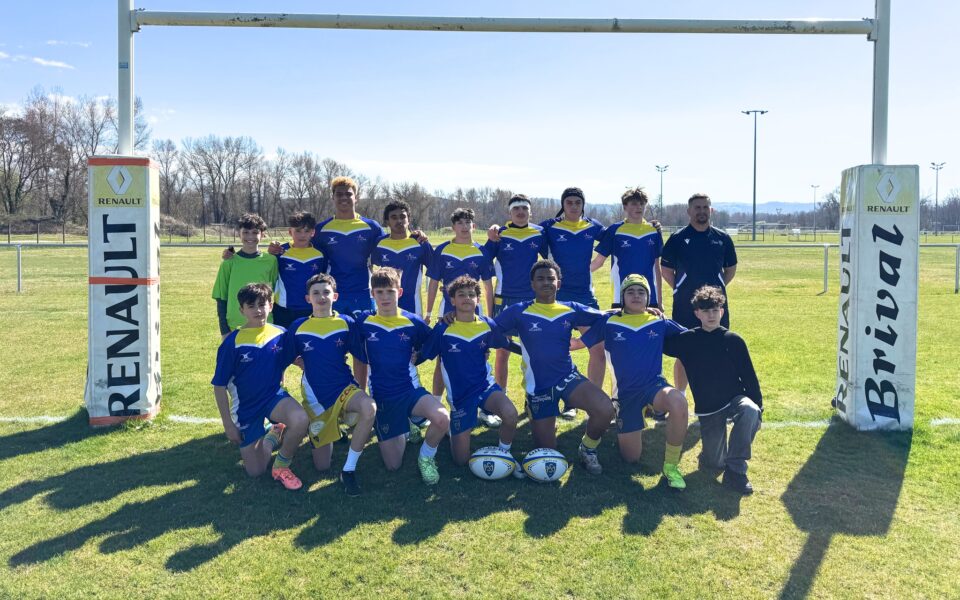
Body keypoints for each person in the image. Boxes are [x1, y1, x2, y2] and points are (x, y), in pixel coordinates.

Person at [494, 259, 615, 475]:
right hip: (538, 387)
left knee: (605, 409)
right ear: (532, 284)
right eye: (540, 279)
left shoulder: (570, 309)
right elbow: (490, 329)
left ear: (559, 283)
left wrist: (645, 310)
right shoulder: (519, 311)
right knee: (547, 452)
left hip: (568, 378)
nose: (546, 283)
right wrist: (513, 347)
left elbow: (606, 317)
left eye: (551, 279)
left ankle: (588, 449)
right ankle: (538, 413)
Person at [576, 274, 689, 490]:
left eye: (641, 292)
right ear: (622, 297)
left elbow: (692, 338)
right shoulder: (609, 322)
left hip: (654, 387)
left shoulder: (659, 321)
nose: (636, 296)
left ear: (648, 297)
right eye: (630, 292)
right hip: (626, 395)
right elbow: (578, 343)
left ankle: (671, 466)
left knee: (678, 401)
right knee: (631, 458)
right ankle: (598, 437)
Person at [354, 267, 451, 485]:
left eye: (390, 291)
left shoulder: (413, 321)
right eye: (379, 292)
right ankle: (408, 425)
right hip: (383, 398)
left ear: (399, 292)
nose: (385, 297)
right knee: (393, 465)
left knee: (442, 418)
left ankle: (426, 458)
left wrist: (422, 354)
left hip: (410, 391)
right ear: (372, 294)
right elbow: (355, 354)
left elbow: (433, 342)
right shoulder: (363, 322)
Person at [663, 285, 762, 495]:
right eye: (706, 311)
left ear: (722, 312)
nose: (711, 315)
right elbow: (660, 342)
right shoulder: (687, 340)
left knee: (751, 411)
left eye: (715, 310)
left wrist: (759, 408)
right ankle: (711, 455)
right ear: (697, 313)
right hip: (709, 408)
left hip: (735, 399)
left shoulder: (733, 340)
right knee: (714, 463)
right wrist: (654, 316)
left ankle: (736, 471)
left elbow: (749, 376)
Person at [211, 282, 309, 490]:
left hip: (273, 397)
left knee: (300, 419)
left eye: (262, 304)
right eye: (251, 306)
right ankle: (273, 435)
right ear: (242, 310)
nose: (258, 310)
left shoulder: (280, 333)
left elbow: (289, 355)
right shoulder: (232, 343)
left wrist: (300, 361)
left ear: (271, 306)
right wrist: (228, 424)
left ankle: (281, 465)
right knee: (255, 471)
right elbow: (219, 386)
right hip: (246, 408)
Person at [286, 273, 377, 497]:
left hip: (344, 388)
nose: (321, 297)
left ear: (335, 296)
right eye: (315, 293)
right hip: (316, 397)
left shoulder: (346, 323)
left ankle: (349, 469)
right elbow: (283, 355)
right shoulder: (298, 326)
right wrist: (298, 360)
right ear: (308, 298)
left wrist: (361, 391)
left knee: (368, 408)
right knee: (322, 466)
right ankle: (327, 427)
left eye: (326, 292)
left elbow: (360, 358)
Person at [419, 276, 520, 467]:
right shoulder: (443, 328)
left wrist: (534, 351)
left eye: (471, 294)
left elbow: (506, 343)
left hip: (484, 387)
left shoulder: (487, 324)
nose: (467, 298)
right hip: (460, 397)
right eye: (461, 295)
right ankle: (449, 427)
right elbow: (424, 354)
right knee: (460, 461)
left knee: (510, 414)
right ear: (452, 300)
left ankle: (504, 454)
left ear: (478, 299)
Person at [660, 193, 737, 391]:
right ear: (689, 211)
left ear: (711, 210)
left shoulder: (722, 238)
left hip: (715, 307)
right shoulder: (677, 238)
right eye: (697, 208)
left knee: (717, 349)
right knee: (684, 352)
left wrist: (717, 291)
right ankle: (681, 396)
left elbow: (730, 269)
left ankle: (716, 397)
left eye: (705, 207)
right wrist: (680, 287)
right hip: (685, 305)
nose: (701, 211)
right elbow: (666, 269)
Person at [424, 208, 496, 420]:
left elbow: (488, 286)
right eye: (460, 223)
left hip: (474, 312)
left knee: (479, 356)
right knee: (442, 359)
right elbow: (433, 283)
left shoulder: (482, 251)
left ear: (474, 226)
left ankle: (483, 408)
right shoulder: (443, 250)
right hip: (447, 311)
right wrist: (428, 312)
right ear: (453, 227)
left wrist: (490, 316)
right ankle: (436, 406)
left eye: (468, 223)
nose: (464, 227)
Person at [536, 188, 607, 400]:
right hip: (558, 296)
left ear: (583, 205)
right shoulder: (550, 226)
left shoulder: (592, 226)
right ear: (563, 205)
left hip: (585, 295)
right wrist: (498, 230)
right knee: (556, 351)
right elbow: (523, 230)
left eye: (578, 202)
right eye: (569, 202)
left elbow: (617, 236)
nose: (574, 206)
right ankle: (562, 400)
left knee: (598, 349)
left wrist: (652, 225)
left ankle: (595, 401)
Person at [483, 193, 548, 391]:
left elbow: (552, 261)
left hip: (531, 299)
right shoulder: (499, 234)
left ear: (530, 212)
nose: (521, 212)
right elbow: (482, 261)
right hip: (504, 298)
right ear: (509, 212)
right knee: (503, 351)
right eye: (516, 209)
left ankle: (533, 393)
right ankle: (501, 395)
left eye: (524, 208)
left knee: (534, 350)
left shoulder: (539, 233)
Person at [590, 187, 663, 309]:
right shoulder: (615, 230)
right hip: (621, 295)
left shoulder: (653, 231)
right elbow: (598, 262)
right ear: (625, 207)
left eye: (642, 204)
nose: (639, 207)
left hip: (650, 297)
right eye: (634, 203)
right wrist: (576, 274)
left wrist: (660, 300)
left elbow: (657, 267)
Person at [212, 213, 279, 338]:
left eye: (255, 232)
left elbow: (274, 293)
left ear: (262, 235)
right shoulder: (229, 262)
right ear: (239, 234)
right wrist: (224, 330)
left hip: (264, 325)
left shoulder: (271, 261)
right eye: (246, 232)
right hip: (235, 326)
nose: (250, 237)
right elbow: (221, 298)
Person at [372, 200, 432, 316]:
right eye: (394, 217)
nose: (399, 220)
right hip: (386, 304)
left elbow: (437, 270)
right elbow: (367, 264)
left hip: (413, 306)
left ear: (409, 219)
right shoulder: (379, 243)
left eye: (402, 217)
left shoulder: (420, 242)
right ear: (387, 222)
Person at [273, 211, 327, 328]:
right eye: (298, 231)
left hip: (311, 308)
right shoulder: (279, 251)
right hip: (284, 309)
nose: (302, 235)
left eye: (306, 231)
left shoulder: (320, 254)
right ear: (290, 232)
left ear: (313, 232)